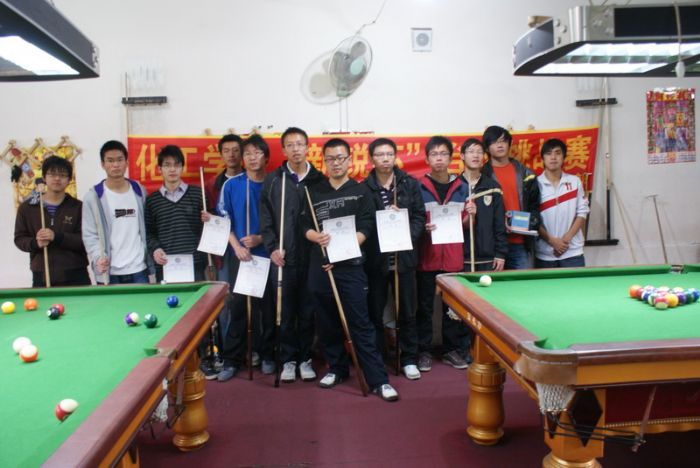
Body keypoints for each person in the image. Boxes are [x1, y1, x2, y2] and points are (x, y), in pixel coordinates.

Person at [302, 138, 399, 402]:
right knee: (327, 323)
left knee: (361, 324)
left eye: (340, 158)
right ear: (324, 161)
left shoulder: (361, 191)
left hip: (351, 267)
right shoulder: (313, 191)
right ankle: (337, 368)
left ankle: (378, 379)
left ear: (349, 160)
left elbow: (366, 227)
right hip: (322, 267)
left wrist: (340, 251)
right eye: (330, 159)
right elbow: (304, 226)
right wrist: (316, 237)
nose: (336, 163)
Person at [259, 127, 324, 383]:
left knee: (308, 311)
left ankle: (305, 358)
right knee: (284, 312)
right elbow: (265, 220)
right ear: (283, 150)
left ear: (308, 147)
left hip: (311, 258)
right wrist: (272, 248)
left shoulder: (318, 180)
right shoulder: (274, 180)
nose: (296, 149)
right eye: (290, 145)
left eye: (300, 144)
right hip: (283, 258)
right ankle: (288, 359)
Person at [362, 137, 425, 380]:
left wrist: (404, 229)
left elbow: (419, 217)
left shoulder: (409, 183)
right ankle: (378, 358)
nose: (385, 159)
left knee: (407, 311)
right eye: (380, 155)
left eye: (389, 154)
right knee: (374, 313)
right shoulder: (364, 188)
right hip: (376, 261)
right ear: (371, 159)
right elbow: (363, 223)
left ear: (395, 156)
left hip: (404, 259)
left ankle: (408, 358)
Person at [217, 134, 274, 381]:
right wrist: (236, 246)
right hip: (241, 257)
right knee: (238, 307)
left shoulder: (274, 184)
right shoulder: (231, 185)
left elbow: (281, 221)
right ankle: (231, 360)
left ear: (266, 157)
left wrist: (261, 238)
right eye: (247, 153)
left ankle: (268, 355)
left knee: (267, 310)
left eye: (257, 153)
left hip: (267, 255)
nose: (252, 158)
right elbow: (223, 220)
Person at [416, 136, 471, 372]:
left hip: (453, 258)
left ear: (451, 158)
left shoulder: (463, 187)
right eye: (434, 154)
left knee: (452, 310)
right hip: (426, 257)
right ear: (427, 159)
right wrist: (422, 227)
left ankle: (451, 350)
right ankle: (423, 351)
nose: (439, 158)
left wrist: (471, 215)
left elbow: (466, 225)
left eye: (443, 154)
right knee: (425, 308)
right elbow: (413, 221)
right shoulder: (417, 187)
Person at [82, 140, 153, 284]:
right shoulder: (94, 197)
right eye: (110, 161)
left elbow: (149, 226)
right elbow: (90, 235)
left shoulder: (139, 191)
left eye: (120, 160)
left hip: (139, 269)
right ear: (103, 164)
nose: (115, 165)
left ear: (127, 163)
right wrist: (98, 257)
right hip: (110, 272)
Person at [14, 156, 90, 287]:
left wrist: (57, 237)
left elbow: (86, 240)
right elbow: (19, 239)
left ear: (69, 180)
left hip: (76, 274)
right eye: (52, 174)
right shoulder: (27, 208)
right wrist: (35, 243)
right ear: (44, 177)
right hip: (41, 274)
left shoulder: (79, 207)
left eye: (62, 175)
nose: (57, 178)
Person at [481, 126, 540, 270]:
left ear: (509, 144)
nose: (500, 145)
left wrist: (531, 223)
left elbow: (535, 206)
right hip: (492, 244)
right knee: (491, 283)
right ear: (487, 148)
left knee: (523, 283)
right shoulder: (482, 176)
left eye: (503, 141)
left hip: (520, 243)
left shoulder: (526, 173)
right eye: (495, 142)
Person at [145, 145, 207, 282]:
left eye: (176, 165)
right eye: (167, 165)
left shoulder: (198, 194)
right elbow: (148, 232)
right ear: (159, 169)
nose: (172, 169)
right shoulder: (152, 200)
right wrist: (156, 249)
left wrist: (210, 220)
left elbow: (209, 229)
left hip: (195, 263)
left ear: (182, 167)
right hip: (165, 264)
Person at [535, 138, 590, 268]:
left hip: (572, 252)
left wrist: (566, 240)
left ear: (564, 157)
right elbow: (533, 218)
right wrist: (552, 241)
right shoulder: (535, 184)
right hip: (544, 254)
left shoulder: (575, 181)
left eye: (557, 153)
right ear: (543, 158)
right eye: (548, 153)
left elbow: (582, 212)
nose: (553, 157)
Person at [460, 138, 508, 273]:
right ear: (462, 156)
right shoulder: (454, 187)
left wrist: (500, 254)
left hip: (488, 258)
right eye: (471, 151)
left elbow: (499, 223)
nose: (475, 155)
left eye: (479, 152)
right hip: (461, 257)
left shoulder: (492, 187)